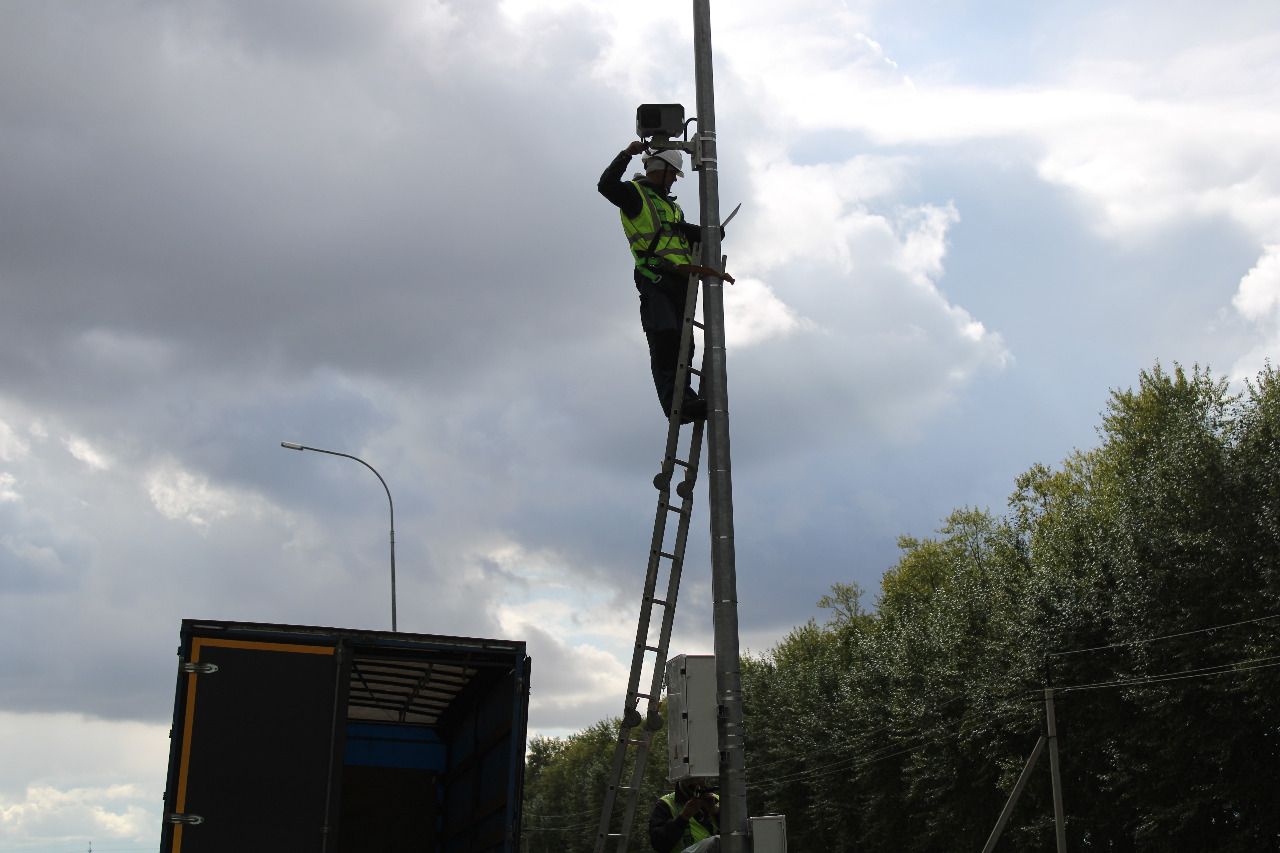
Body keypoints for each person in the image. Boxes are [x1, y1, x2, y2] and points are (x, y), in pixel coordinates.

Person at [598, 141, 708, 424]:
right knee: (665, 337)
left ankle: (687, 400)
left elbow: (675, 237)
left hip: (681, 281)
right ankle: (677, 405)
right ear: (659, 169)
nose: (674, 180)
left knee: (685, 344)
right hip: (655, 278)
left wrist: (703, 234)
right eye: (672, 173)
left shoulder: (671, 207)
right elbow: (606, 185)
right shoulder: (634, 195)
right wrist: (626, 154)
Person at [648, 777, 720, 853]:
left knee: (722, 842)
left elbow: (732, 832)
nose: (699, 782)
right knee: (716, 842)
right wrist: (683, 817)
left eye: (701, 778)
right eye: (693, 780)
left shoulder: (715, 799)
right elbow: (658, 844)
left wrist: (715, 813)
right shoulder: (666, 804)